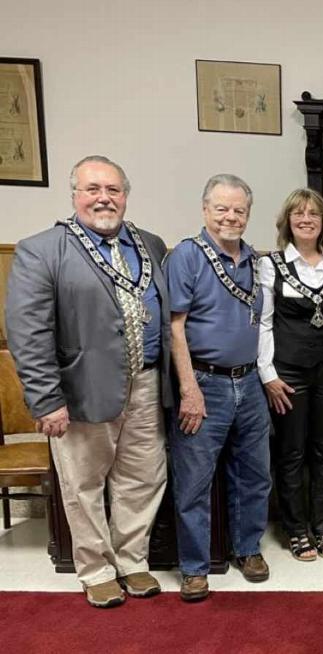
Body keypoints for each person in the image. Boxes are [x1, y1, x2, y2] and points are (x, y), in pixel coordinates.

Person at [6, 155, 171, 608]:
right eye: (93, 189)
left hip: (147, 383)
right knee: (84, 482)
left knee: (143, 477)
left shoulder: (151, 244)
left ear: (125, 195)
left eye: (113, 190)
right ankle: (96, 568)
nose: (104, 198)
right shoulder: (43, 248)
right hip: (81, 388)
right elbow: (28, 330)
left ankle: (132, 561)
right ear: (74, 194)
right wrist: (45, 400)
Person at [166, 174, 272, 601]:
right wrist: (188, 389)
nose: (231, 216)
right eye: (222, 209)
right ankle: (194, 567)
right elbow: (175, 327)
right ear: (205, 210)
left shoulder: (254, 260)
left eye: (239, 210)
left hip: (248, 382)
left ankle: (247, 549)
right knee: (194, 481)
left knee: (254, 474)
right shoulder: (188, 257)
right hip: (204, 383)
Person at [257, 188, 323, 562]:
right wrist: (267, 373)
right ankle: (296, 530)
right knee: (291, 451)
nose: (306, 219)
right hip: (288, 373)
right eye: (298, 213)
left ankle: (322, 527)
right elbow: (264, 324)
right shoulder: (272, 266)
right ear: (287, 221)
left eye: (313, 214)